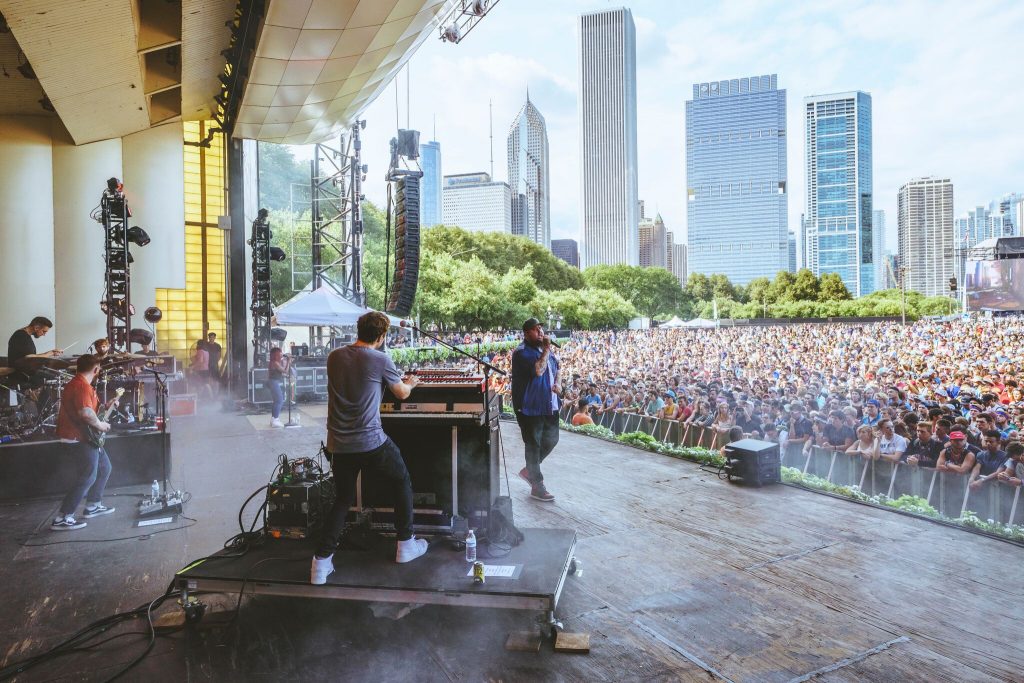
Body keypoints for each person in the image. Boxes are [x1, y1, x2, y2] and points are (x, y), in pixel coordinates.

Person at [311, 311, 426, 585]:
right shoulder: (380, 359)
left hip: (338, 443)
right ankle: (405, 544)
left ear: (359, 329)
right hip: (370, 441)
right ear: (382, 336)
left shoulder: (334, 356)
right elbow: (401, 393)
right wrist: (411, 382)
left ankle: (320, 564)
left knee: (343, 499)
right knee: (401, 480)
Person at [51, 354, 118, 530]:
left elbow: (91, 410)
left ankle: (93, 505)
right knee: (88, 476)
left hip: (85, 436)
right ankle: (63, 517)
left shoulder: (81, 384)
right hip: (78, 437)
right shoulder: (81, 386)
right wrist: (101, 425)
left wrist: (107, 406)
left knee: (104, 468)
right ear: (96, 370)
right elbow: (86, 414)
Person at [511, 317, 560, 503]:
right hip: (530, 406)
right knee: (533, 444)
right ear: (526, 333)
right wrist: (546, 349)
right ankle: (537, 486)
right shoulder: (522, 353)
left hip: (548, 403)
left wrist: (558, 383)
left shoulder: (544, 350)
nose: (540, 332)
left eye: (541, 328)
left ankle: (529, 470)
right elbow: (538, 370)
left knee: (552, 439)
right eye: (535, 329)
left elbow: (557, 367)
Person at [267, 347, 291, 428]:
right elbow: (285, 371)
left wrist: (286, 362)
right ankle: (275, 419)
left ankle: (273, 419)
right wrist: (288, 361)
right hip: (273, 383)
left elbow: (281, 373)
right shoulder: (275, 363)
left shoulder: (275, 362)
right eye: (280, 352)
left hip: (273, 382)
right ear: (276, 354)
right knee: (279, 400)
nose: (281, 354)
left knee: (276, 401)